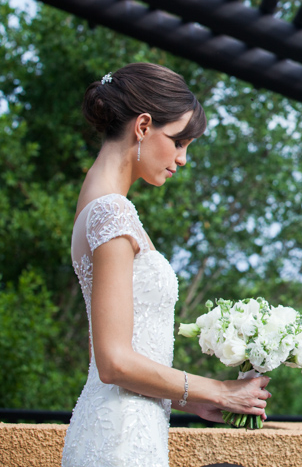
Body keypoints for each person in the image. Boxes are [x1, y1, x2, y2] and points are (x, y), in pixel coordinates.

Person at [62, 63, 271, 467]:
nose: (183, 158)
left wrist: (185, 399)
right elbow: (113, 361)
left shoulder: (97, 205)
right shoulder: (112, 213)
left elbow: (107, 352)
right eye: (178, 142)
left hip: (125, 428)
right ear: (142, 126)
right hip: (121, 440)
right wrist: (220, 392)